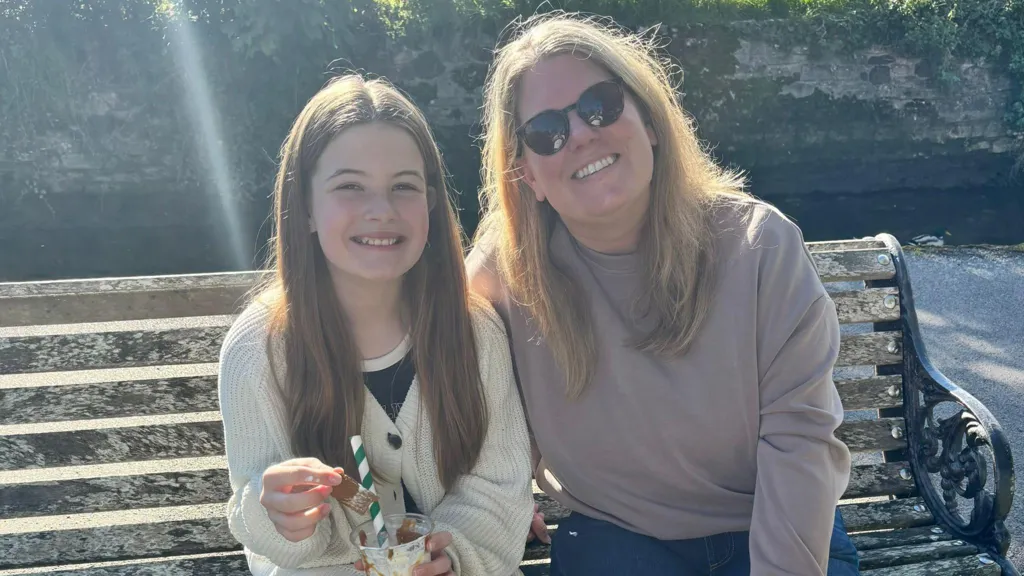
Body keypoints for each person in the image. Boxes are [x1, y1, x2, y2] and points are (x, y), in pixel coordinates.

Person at [467, 12, 861, 576]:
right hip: (616, 539)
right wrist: (499, 497)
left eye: (599, 104)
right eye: (545, 132)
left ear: (650, 120)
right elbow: (435, 378)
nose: (579, 134)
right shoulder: (502, 275)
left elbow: (800, 445)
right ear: (527, 174)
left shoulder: (761, 248)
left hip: (768, 523)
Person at [217, 74, 535, 576]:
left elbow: (496, 489)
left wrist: (452, 558)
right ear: (304, 209)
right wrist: (275, 512)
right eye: (350, 186)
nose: (381, 211)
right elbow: (276, 546)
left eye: (403, 187)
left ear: (430, 200)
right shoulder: (258, 352)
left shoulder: (475, 334)